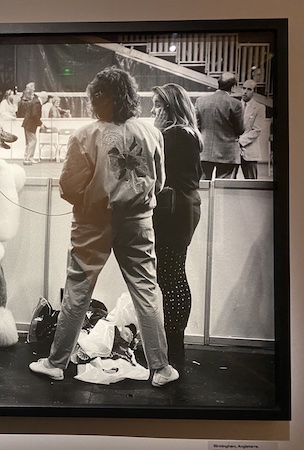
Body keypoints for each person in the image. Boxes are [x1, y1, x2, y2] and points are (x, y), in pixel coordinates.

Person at [29, 67, 179, 387]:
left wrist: (91, 198)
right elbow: (161, 181)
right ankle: (161, 368)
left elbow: (69, 187)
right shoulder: (152, 132)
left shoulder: (85, 135)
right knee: (147, 292)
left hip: (92, 222)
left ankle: (57, 363)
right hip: (138, 221)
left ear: (98, 98)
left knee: (78, 291)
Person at [151, 83, 203, 367]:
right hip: (181, 209)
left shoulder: (174, 135)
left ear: (169, 107)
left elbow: (150, 163)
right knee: (171, 276)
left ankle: (175, 347)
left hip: (174, 211)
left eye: (157, 104)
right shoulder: (187, 134)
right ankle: (174, 345)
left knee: (171, 278)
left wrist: (155, 133)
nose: (153, 110)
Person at [195, 72, 245, 180]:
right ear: (233, 86)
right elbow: (240, 129)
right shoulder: (236, 104)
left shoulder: (200, 101)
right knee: (225, 189)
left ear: (218, 83)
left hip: (205, 151)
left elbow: (196, 126)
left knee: (202, 185)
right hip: (227, 153)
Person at [238, 79, 266, 179]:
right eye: (244, 88)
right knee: (229, 182)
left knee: (251, 182)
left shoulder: (259, 108)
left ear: (254, 91)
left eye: (249, 89)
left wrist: (240, 141)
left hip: (249, 150)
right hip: (233, 151)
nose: (245, 91)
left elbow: (256, 130)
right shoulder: (235, 105)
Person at [16, 82, 42, 165]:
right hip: (30, 124)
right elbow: (35, 114)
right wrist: (40, 123)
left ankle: (26, 158)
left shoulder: (32, 101)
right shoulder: (36, 102)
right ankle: (29, 158)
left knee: (29, 142)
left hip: (27, 124)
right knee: (32, 141)